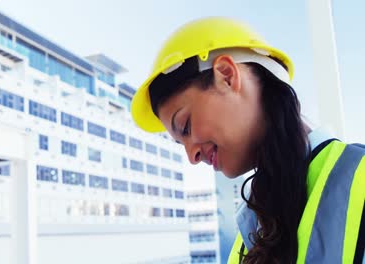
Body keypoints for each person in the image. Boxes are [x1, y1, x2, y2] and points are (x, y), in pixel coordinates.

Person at [130, 17, 364, 263]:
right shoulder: (251, 231)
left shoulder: (358, 176)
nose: (191, 157)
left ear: (227, 76)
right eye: (180, 144)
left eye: (185, 126)